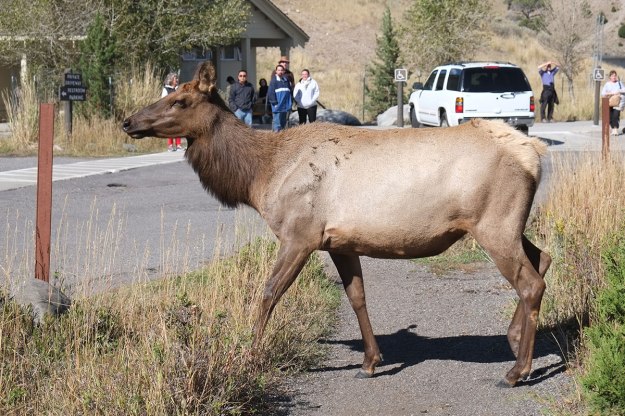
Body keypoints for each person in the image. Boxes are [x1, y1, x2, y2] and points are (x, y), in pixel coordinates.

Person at [161, 72, 183, 151]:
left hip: (177, 111)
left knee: (178, 128)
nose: (177, 80)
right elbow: (163, 100)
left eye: (177, 78)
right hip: (169, 111)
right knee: (170, 128)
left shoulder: (177, 89)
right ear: (171, 80)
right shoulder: (166, 89)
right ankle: (170, 145)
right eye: (175, 79)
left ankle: (178, 145)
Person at [267, 64, 292, 132]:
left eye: (281, 70)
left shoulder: (286, 81)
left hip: (285, 107)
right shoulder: (273, 81)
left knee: (283, 125)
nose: (280, 71)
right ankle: (275, 141)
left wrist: (289, 104)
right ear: (276, 71)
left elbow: (289, 93)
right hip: (277, 106)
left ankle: (282, 141)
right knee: (277, 125)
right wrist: (275, 104)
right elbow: (271, 93)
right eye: (279, 70)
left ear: (284, 71)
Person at [601, 70, 625, 136]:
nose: (614, 77)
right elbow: (603, 93)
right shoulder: (607, 84)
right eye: (612, 76)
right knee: (610, 117)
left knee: (616, 115)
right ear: (610, 77)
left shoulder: (619, 83)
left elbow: (624, 89)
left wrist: (618, 91)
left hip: (617, 102)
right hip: (610, 102)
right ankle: (613, 129)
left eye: (615, 76)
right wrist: (610, 93)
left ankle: (615, 129)